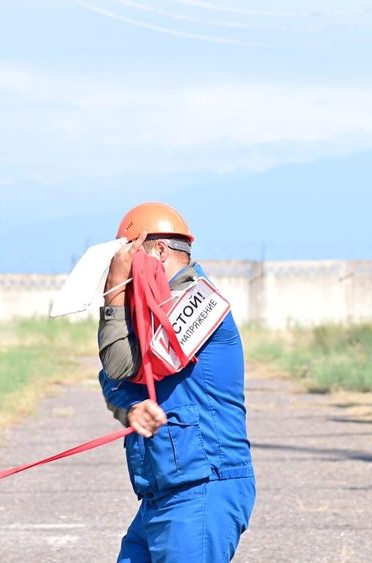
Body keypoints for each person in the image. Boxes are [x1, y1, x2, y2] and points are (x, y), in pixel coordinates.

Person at [97, 202, 255, 562]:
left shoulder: (202, 302)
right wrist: (132, 407)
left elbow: (123, 365)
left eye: (128, 254)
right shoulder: (147, 315)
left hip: (203, 487)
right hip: (160, 491)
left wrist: (113, 291)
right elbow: (113, 376)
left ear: (159, 250)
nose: (123, 268)